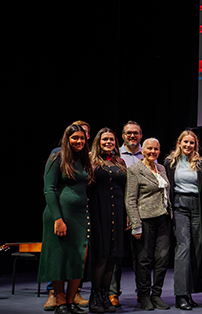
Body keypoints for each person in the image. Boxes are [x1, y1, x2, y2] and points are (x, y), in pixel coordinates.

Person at [38, 124, 93, 314]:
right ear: (67, 139)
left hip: (79, 216)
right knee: (59, 259)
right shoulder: (58, 157)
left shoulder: (83, 159)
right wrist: (58, 219)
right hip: (61, 214)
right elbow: (49, 189)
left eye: (82, 138)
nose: (79, 141)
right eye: (74, 138)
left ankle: (70, 302)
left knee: (78, 257)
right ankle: (60, 302)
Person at [125, 138, 172, 311]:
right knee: (143, 260)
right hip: (145, 220)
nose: (153, 152)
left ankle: (156, 294)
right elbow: (130, 200)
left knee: (162, 258)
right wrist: (135, 224)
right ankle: (143, 296)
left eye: (156, 149)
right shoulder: (135, 170)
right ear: (143, 150)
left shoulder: (161, 168)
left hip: (163, 218)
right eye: (149, 149)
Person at [87, 128, 128, 313]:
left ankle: (105, 295)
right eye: (105, 139)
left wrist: (127, 213)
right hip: (98, 210)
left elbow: (126, 189)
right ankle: (94, 296)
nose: (108, 142)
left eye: (111, 139)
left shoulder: (120, 162)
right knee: (101, 254)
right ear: (98, 141)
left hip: (118, 212)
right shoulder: (91, 160)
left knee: (113, 255)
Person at [164, 130, 202, 310]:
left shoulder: (200, 163)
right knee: (184, 247)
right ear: (179, 143)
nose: (188, 146)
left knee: (197, 248)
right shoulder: (169, 162)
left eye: (192, 143)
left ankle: (190, 292)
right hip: (179, 204)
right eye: (185, 142)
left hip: (197, 205)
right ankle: (180, 294)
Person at [109, 120, 144, 308]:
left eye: (136, 133)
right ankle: (113, 293)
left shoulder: (146, 155)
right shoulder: (114, 156)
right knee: (116, 255)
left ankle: (142, 292)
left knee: (141, 255)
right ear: (122, 136)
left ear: (141, 136)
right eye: (129, 133)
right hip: (119, 210)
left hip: (142, 211)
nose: (132, 136)